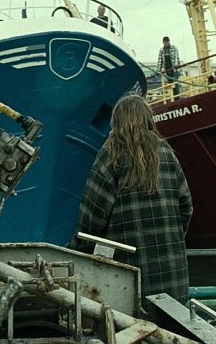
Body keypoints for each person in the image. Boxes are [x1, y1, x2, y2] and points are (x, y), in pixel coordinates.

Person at [71, 95, 192, 316]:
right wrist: (171, 240)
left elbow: (91, 219)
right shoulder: (166, 153)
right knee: (171, 331)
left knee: (130, 331)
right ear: (148, 119)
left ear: (116, 121)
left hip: (129, 282)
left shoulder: (111, 155)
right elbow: (186, 206)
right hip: (173, 280)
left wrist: (78, 251)